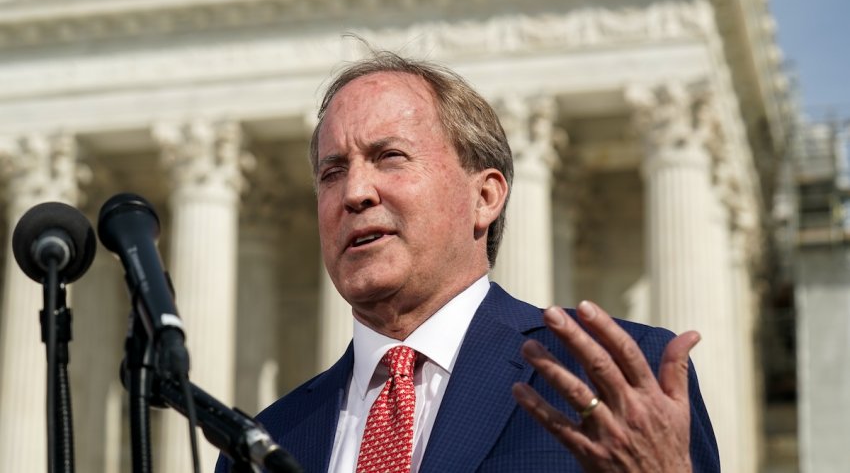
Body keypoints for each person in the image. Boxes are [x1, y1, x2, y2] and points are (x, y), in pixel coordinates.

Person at [216, 51, 719, 472]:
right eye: (332, 172)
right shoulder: (264, 442)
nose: (355, 192)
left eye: (389, 156)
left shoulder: (616, 385)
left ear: (485, 196)